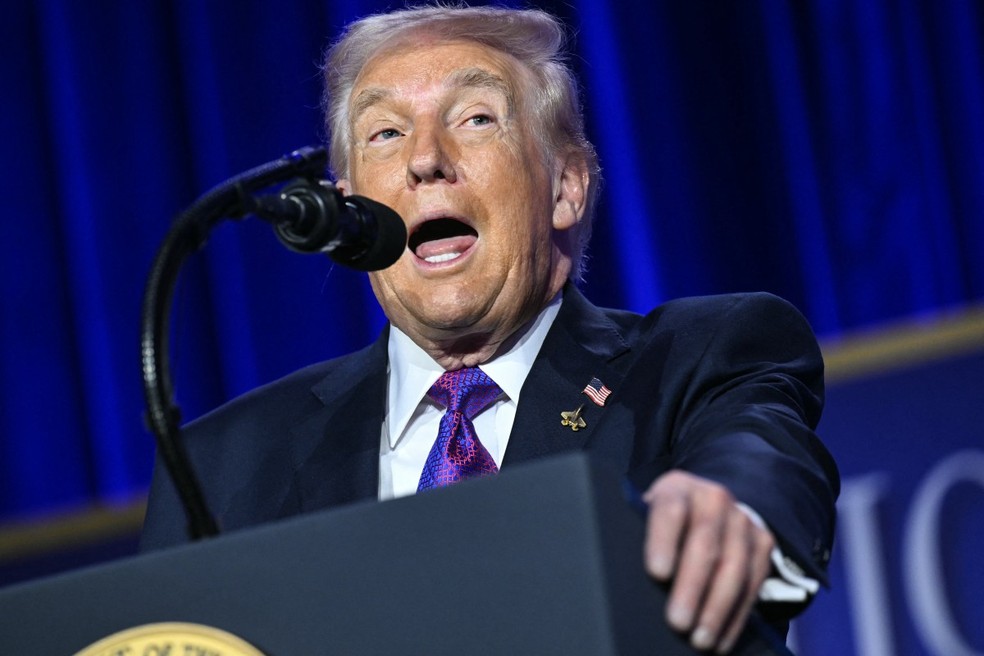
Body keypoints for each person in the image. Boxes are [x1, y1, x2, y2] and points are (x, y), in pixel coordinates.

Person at [142, 5, 838, 654]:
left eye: (475, 118)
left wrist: (735, 507)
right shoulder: (219, 465)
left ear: (566, 185)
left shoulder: (702, 356)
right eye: (384, 133)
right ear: (349, 214)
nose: (424, 160)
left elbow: (760, 454)